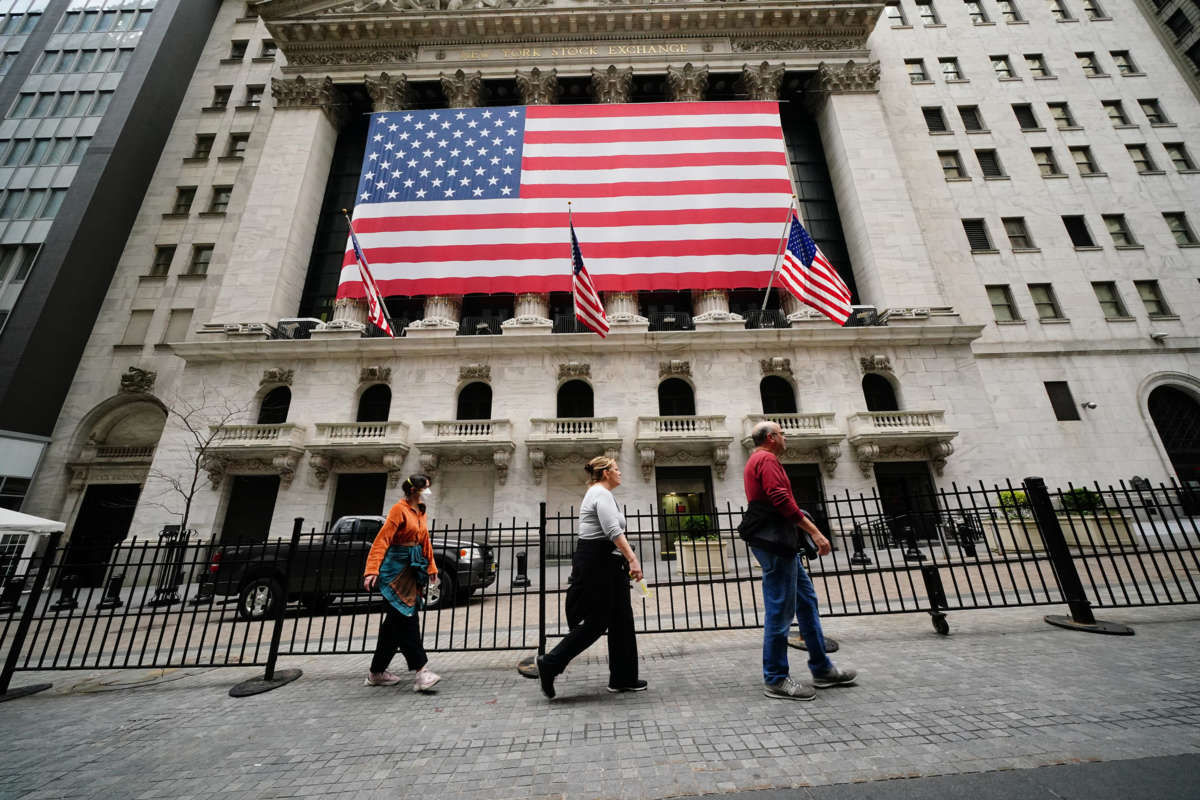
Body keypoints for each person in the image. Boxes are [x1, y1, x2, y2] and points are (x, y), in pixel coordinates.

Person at [744, 421, 857, 700]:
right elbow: (781, 499)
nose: (785, 437)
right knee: (780, 610)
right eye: (782, 433)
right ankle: (776, 678)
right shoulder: (765, 460)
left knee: (806, 602)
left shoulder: (761, 459)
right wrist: (816, 533)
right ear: (771, 438)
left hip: (781, 543)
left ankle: (822, 669)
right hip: (775, 544)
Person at [536, 455, 646, 699]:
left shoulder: (604, 494)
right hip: (598, 563)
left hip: (607, 562)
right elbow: (612, 530)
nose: (620, 473)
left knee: (622, 620)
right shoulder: (599, 493)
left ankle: (623, 677)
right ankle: (551, 663)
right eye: (616, 469)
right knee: (597, 621)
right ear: (605, 472)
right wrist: (632, 559)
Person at [362, 473, 441, 692]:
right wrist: (371, 570)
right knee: (407, 619)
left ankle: (376, 672)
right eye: (425, 488)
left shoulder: (421, 511)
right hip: (394, 572)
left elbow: (425, 541)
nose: (428, 492)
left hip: (412, 570)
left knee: (393, 627)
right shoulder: (399, 510)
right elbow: (382, 539)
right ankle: (421, 671)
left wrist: (431, 567)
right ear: (414, 490)